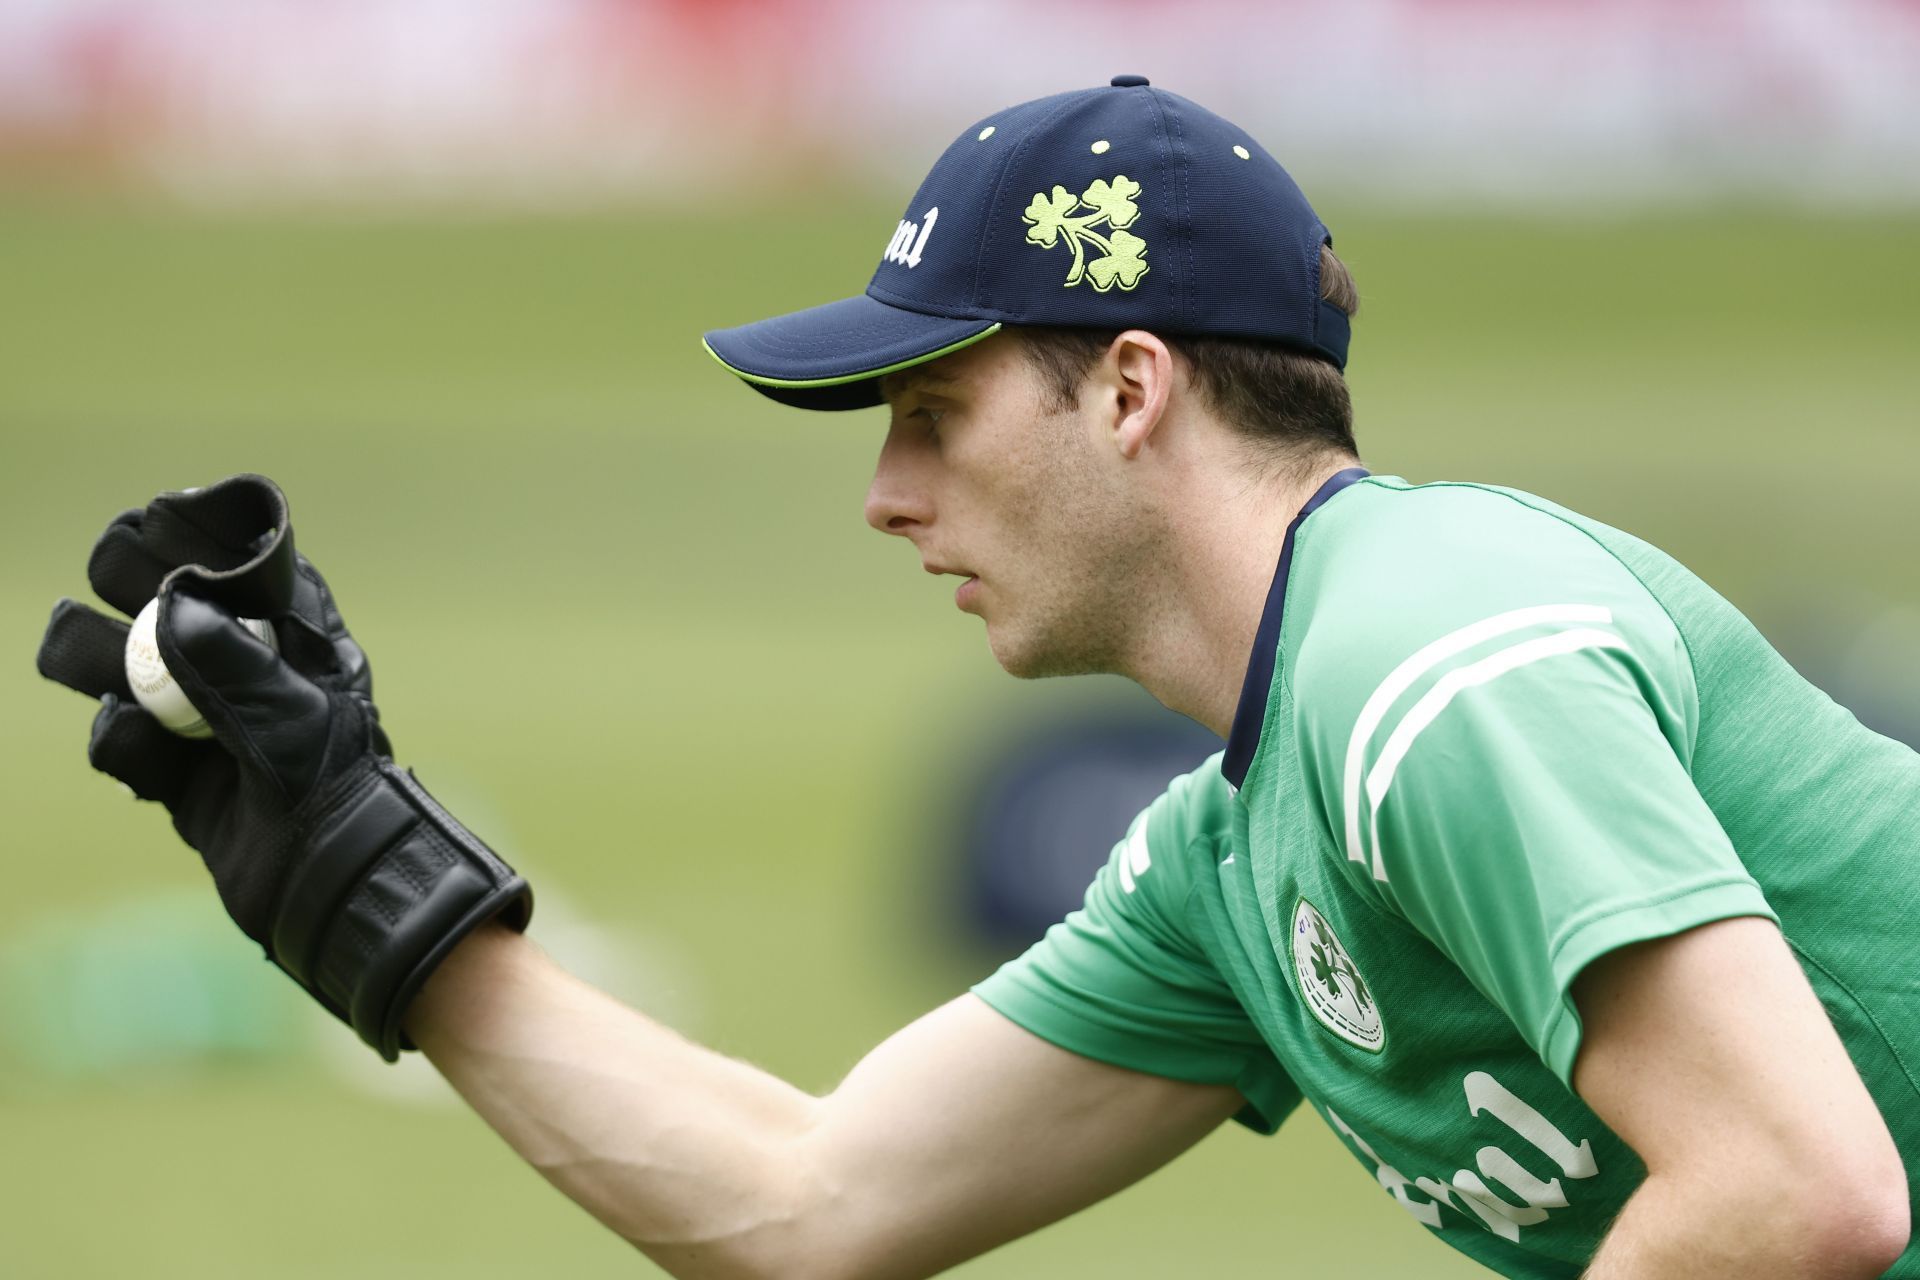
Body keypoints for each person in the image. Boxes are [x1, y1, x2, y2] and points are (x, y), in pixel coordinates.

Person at [35, 78, 1917, 1279]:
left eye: (934, 413)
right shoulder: (1241, 846)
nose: (883, 494)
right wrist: (392, 909)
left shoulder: (1423, 657)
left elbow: (1795, 1196)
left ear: (1129, 386)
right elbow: (807, 1201)